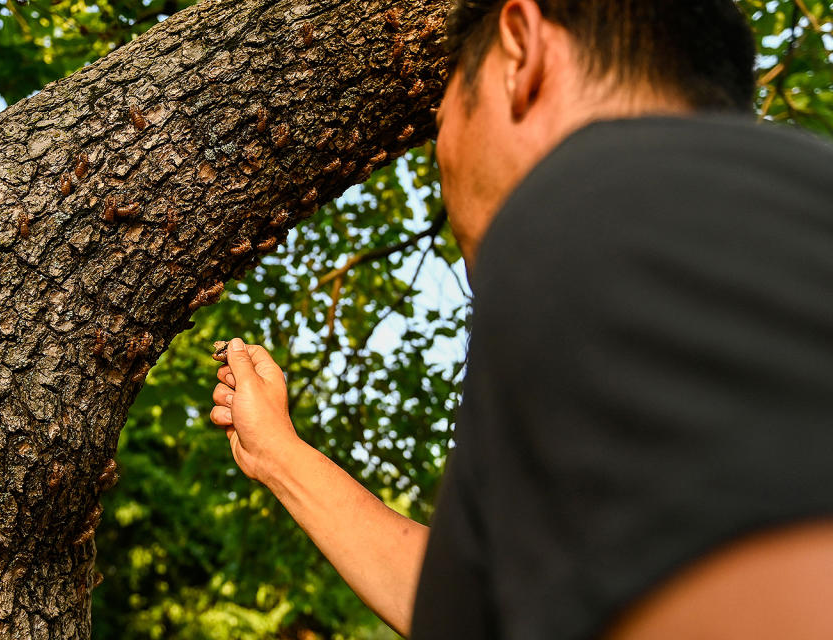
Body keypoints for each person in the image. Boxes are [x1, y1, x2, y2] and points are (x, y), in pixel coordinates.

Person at [211, 0, 833, 637]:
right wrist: (278, 454)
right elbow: (483, 611)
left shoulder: (587, 194)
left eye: (444, 116)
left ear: (521, 50)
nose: (443, 160)